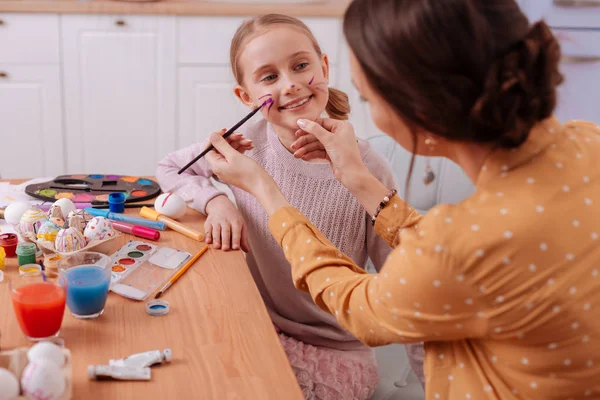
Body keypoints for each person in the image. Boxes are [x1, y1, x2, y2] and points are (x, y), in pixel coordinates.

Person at [202, 1, 600, 399]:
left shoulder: (456, 246)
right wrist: (357, 177)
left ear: (420, 109)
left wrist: (268, 193)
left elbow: (361, 308)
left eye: (367, 99)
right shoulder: (588, 142)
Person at [156, 14, 425, 399]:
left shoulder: (370, 171)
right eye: (269, 77)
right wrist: (218, 201)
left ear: (324, 67)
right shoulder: (245, 141)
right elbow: (169, 167)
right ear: (245, 97)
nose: (291, 84)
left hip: (335, 350)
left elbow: (408, 286)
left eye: (300, 66)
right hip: (257, 322)